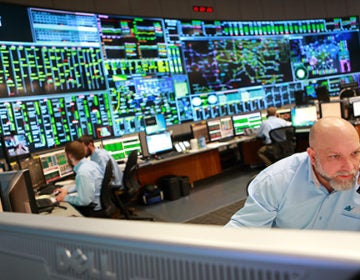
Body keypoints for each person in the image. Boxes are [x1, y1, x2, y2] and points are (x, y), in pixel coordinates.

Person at [225, 117, 360, 231]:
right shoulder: (276, 181)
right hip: (292, 259)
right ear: (313, 157)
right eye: (335, 156)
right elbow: (238, 234)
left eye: (355, 153)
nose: (349, 167)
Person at [55, 141, 104, 215]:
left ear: (70, 156)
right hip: (100, 202)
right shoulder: (92, 164)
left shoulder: (82, 173)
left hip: (93, 209)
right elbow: (85, 185)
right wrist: (67, 190)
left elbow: (84, 201)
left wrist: (65, 198)